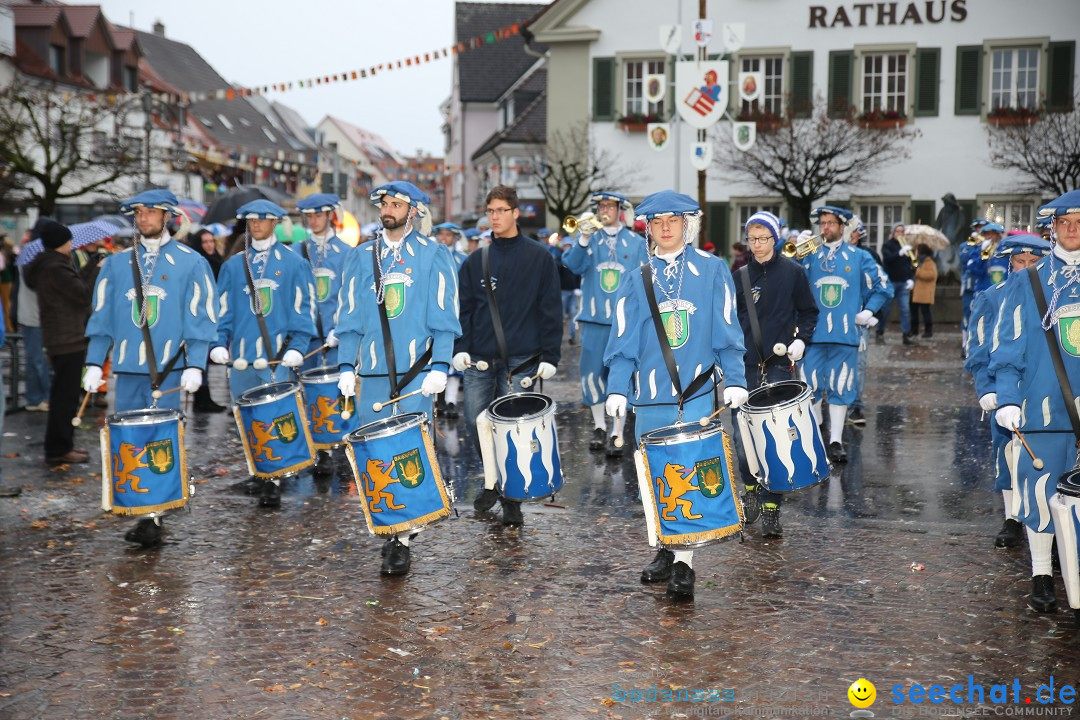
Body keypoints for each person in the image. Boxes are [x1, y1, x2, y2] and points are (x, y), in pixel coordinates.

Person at [603, 190, 748, 600]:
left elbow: (727, 332)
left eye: (673, 220)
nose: (665, 228)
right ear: (648, 228)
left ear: (688, 224)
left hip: (696, 394)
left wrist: (734, 377)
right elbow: (623, 342)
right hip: (649, 398)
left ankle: (685, 565)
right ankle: (666, 548)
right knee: (655, 478)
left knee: (688, 474)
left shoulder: (713, 269)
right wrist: (616, 387)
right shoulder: (637, 277)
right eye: (657, 222)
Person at [335, 181, 460, 575]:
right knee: (376, 456)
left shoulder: (434, 255)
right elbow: (350, 318)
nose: (388, 210)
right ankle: (390, 530)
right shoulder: (361, 257)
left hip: (416, 374)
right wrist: (343, 366)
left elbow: (444, 317)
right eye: (384, 204)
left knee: (408, 451)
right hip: (371, 374)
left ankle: (401, 540)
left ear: (415, 211)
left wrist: (441, 365)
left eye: (396, 204)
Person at [81, 190, 219, 547]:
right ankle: (139, 505)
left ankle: (154, 517)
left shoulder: (191, 262)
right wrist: (95, 361)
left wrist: (196, 364)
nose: (143, 219)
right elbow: (103, 317)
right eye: (138, 213)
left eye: (151, 212)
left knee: (162, 444)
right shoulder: (116, 263)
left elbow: (200, 316)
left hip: (170, 369)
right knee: (127, 441)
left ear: (168, 216)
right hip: (127, 368)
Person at [989, 190, 1080, 613]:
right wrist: (1006, 397)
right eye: (1065, 222)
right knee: (1039, 491)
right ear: (1053, 228)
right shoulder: (1029, 281)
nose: (1073, 229)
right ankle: (1042, 574)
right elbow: (1008, 348)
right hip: (1043, 410)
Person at [457, 185, 562, 527]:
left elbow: (550, 308)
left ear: (516, 213)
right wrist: (459, 349)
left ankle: (510, 495)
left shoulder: (539, 257)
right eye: (491, 211)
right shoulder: (476, 260)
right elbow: (465, 311)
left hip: (522, 360)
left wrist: (551, 355)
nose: (495, 217)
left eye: (502, 210)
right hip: (479, 360)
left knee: (511, 432)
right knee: (476, 422)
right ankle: (492, 478)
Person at [211, 199, 317, 508]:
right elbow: (224, 310)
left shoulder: (295, 263)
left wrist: (297, 347)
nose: (256, 225)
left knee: (275, 416)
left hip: (276, 356)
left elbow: (302, 310)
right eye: (251, 220)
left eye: (263, 220)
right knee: (245, 418)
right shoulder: (233, 265)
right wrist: (219, 342)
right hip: (242, 357)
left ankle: (274, 477)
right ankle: (257, 470)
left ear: (275, 222)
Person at [733, 211, 819, 539]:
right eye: (752, 239)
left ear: (776, 238)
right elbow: (728, 321)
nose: (758, 245)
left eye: (764, 238)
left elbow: (809, 312)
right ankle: (752, 488)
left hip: (779, 366)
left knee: (775, 439)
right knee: (744, 442)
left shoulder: (793, 273)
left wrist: (801, 340)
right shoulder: (739, 276)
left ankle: (771, 506)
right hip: (745, 368)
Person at [965, 234, 1050, 551]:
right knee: (1007, 455)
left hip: (1045, 390)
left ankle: (1049, 521)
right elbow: (979, 349)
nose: (1027, 268)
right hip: (1006, 388)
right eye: (1021, 262)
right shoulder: (992, 296)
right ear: (1010, 263)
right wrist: (985, 388)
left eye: (1034, 262)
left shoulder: (1057, 296)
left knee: (1051, 456)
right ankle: (1011, 517)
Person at [799, 206, 892, 463]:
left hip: (846, 334)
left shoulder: (859, 256)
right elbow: (790, 281)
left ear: (842, 227)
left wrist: (870, 310)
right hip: (812, 335)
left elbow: (884, 286)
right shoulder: (809, 254)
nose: (826, 228)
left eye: (830, 223)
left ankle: (836, 440)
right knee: (810, 386)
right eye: (823, 223)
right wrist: (795, 250)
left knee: (841, 385)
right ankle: (817, 434)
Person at [563, 192, 649, 457]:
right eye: (601, 206)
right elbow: (572, 266)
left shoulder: (635, 243)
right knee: (591, 375)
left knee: (621, 376)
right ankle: (599, 426)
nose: (604, 210)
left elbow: (645, 280)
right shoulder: (589, 240)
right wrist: (584, 237)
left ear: (620, 210)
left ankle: (617, 432)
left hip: (624, 323)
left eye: (609, 206)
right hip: (593, 321)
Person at [23, 221, 92, 467]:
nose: (72, 244)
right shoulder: (55, 267)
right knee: (65, 396)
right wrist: (94, 268)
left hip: (62, 336)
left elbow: (73, 289)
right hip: (67, 338)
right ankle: (59, 447)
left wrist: (88, 266)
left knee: (64, 394)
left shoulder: (52, 265)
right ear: (61, 243)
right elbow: (81, 295)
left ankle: (62, 445)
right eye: (69, 240)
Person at [432, 222, 469, 419]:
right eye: (440, 235)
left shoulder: (463, 259)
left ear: (455, 237)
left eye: (448, 235)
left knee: (454, 363)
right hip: (433, 316)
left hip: (456, 315)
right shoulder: (429, 256)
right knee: (434, 359)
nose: (443, 239)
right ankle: (436, 402)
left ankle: (451, 401)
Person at [188, 228, 226, 413]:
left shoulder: (218, 261)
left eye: (211, 241)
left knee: (209, 360)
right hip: (202, 316)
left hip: (217, 315)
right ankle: (201, 398)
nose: (209, 245)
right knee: (200, 357)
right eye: (205, 242)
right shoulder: (198, 264)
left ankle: (205, 397)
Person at [16, 222, 52, 412]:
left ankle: (34, 398)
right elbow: (37, 285)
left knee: (33, 359)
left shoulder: (28, 254)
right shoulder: (35, 256)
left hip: (30, 314)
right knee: (38, 360)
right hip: (34, 315)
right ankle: (44, 397)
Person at [877, 224, 917, 345]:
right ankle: (880, 330)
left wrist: (911, 279)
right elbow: (887, 260)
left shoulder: (907, 246)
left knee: (905, 310)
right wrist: (899, 253)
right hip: (890, 282)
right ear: (893, 233)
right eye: (897, 231)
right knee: (885, 309)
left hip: (904, 283)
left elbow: (912, 265)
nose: (900, 234)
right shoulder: (887, 245)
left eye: (902, 231)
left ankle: (906, 335)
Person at [959, 216, 990, 351]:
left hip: (987, 285)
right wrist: (977, 247)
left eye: (984, 228)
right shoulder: (967, 245)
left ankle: (984, 343)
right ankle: (965, 344)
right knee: (968, 314)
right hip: (971, 285)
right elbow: (964, 260)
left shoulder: (992, 245)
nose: (981, 230)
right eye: (979, 227)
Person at [554, 237, 581, 345]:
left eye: (569, 246)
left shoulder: (575, 258)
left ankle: (571, 337)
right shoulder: (559, 259)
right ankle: (556, 337)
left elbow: (578, 273)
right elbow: (555, 272)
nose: (568, 248)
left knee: (573, 315)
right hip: (563, 291)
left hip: (573, 291)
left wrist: (578, 287)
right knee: (559, 316)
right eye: (566, 246)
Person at [909, 244, 937, 338]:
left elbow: (931, 275)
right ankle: (914, 330)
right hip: (914, 291)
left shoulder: (929, 262)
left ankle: (928, 331)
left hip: (924, 292)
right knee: (913, 312)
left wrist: (917, 271)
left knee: (925, 312)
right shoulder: (917, 261)